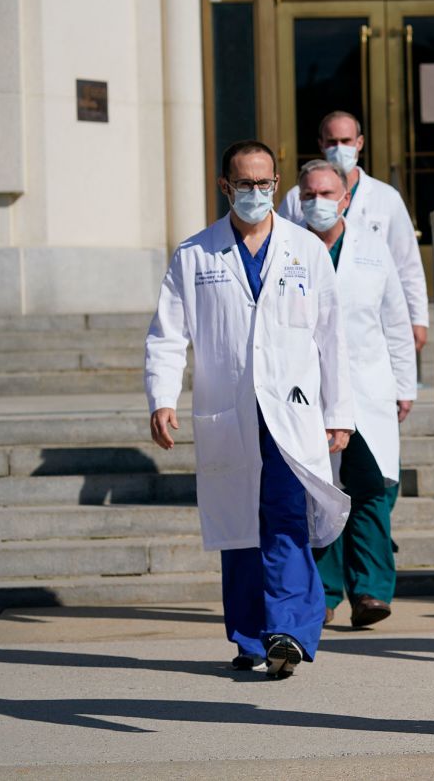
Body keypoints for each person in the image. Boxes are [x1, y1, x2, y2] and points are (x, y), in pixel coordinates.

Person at [145, 140, 353, 678]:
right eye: (244, 184)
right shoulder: (195, 255)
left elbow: (333, 337)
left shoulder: (305, 249)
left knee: (286, 518)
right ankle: (249, 638)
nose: (255, 193)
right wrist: (161, 399)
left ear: (277, 185)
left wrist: (339, 412)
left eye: (265, 184)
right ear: (224, 187)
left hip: (291, 410)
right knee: (237, 526)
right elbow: (168, 337)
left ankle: (288, 630)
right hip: (229, 411)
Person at [295, 159, 418, 629]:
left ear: (346, 198)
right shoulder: (288, 248)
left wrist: (405, 385)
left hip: (368, 386)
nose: (318, 202)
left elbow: (394, 321)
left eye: (328, 193)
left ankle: (369, 591)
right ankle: (322, 594)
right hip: (309, 389)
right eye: (309, 194)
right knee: (319, 491)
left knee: (371, 487)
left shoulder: (372, 248)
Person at [278, 111, 430, 355]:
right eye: (332, 142)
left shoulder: (386, 197)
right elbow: (279, 254)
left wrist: (418, 317)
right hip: (310, 318)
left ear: (359, 143)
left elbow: (407, 263)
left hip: (370, 320)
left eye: (346, 141)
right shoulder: (297, 198)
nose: (339, 148)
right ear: (321, 145)